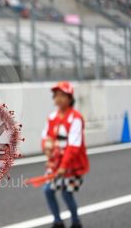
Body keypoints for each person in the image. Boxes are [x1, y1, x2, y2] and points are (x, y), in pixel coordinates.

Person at [41, 81, 90, 228]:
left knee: (66, 193)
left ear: (70, 98)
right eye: (56, 95)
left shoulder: (75, 118)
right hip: (56, 164)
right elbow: (45, 137)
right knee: (48, 190)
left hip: (71, 164)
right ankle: (58, 221)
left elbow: (74, 146)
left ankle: (76, 222)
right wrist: (46, 148)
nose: (59, 98)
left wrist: (64, 166)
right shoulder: (52, 117)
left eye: (63, 95)